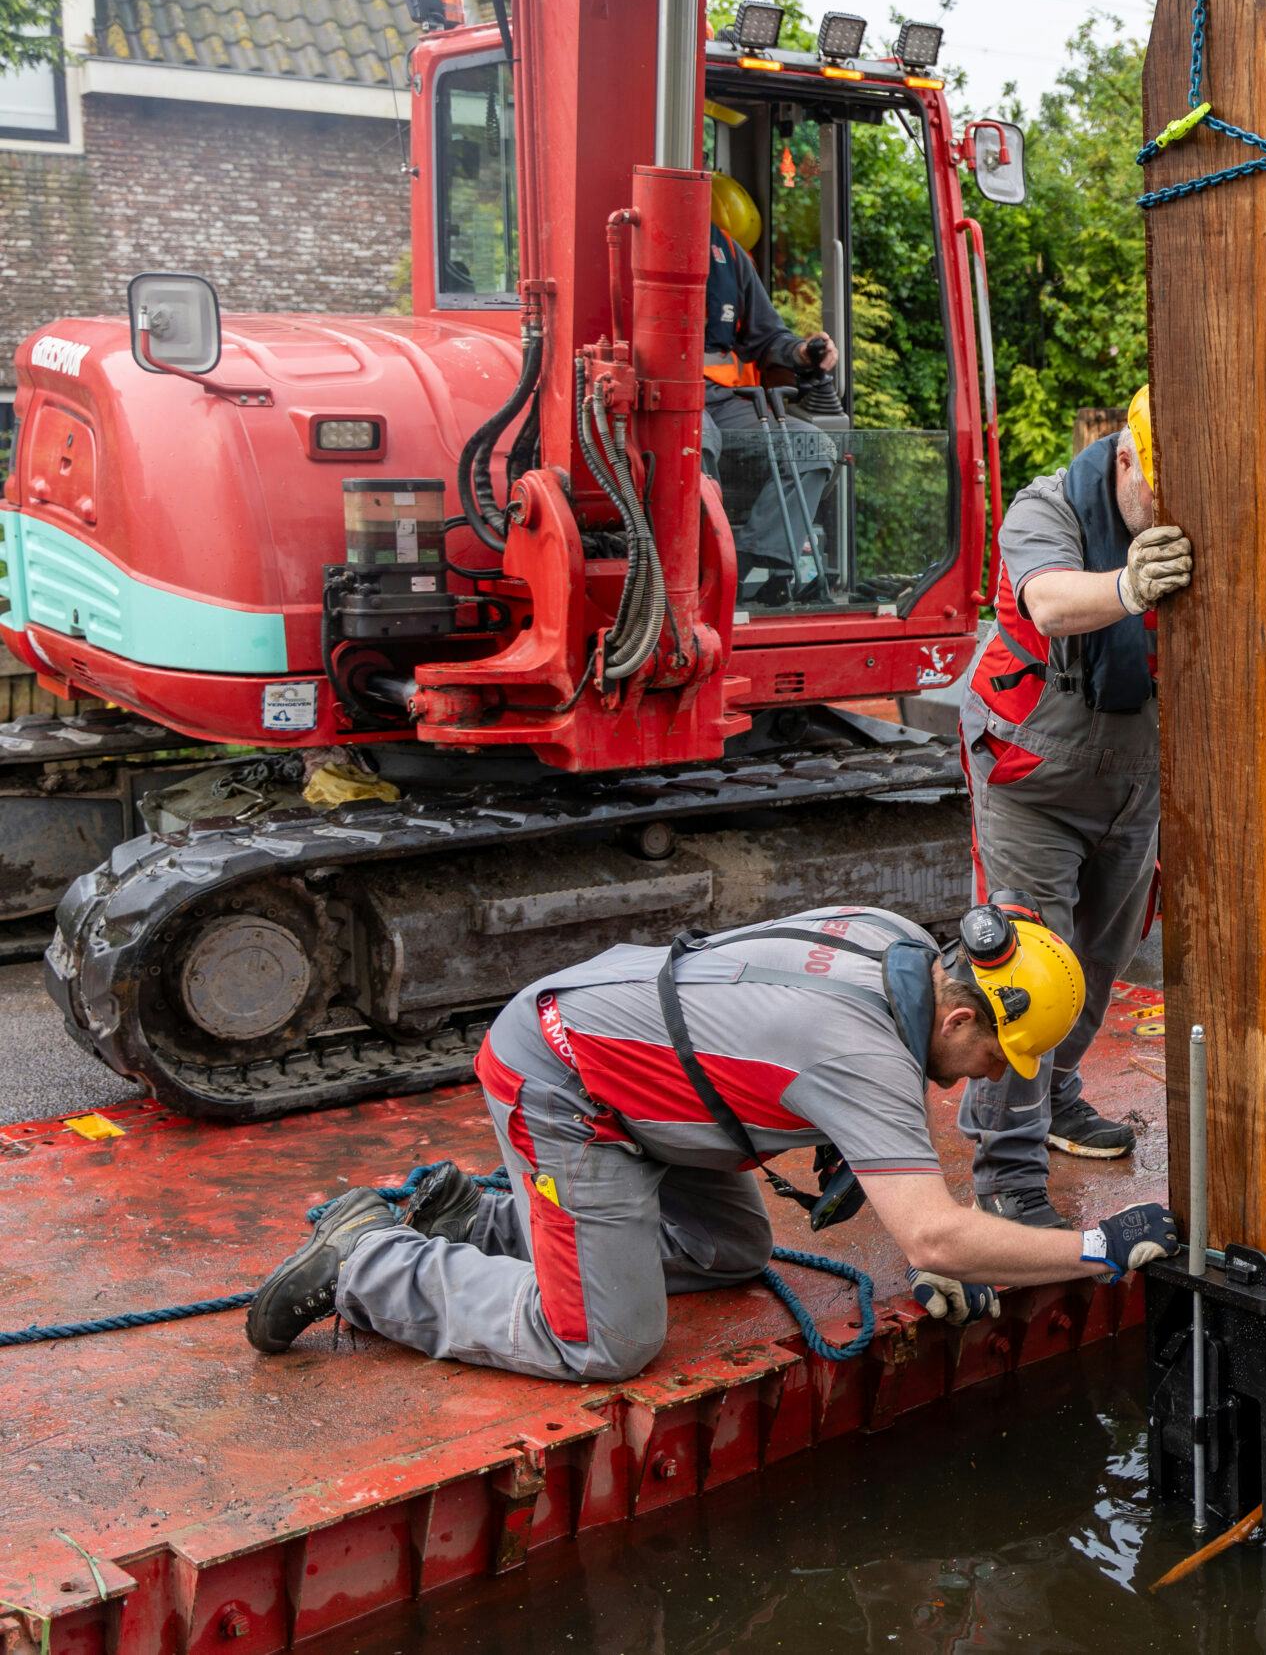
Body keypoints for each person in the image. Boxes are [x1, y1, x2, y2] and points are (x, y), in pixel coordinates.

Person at [243, 900, 1179, 1380]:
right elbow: (932, 1238)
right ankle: (366, 1262)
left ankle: (477, 1217)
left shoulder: (892, 939)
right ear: (963, 1008)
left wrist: (848, 1141)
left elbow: (758, 1009)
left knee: (728, 1248)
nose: (986, 1078)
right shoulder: (860, 1054)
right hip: (568, 1088)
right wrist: (1096, 1247)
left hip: (635, 1072)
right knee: (605, 1339)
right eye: (993, 1055)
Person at [954, 386, 1194, 1226]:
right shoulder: (1045, 507)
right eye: (1160, 495)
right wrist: (1129, 585)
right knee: (1028, 971)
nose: (1170, 515)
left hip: (1131, 781)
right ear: (1126, 459)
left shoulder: (1197, 511)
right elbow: (1052, 602)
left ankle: (1054, 1095)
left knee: (1101, 958)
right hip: (1033, 780)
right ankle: (1007, 1169)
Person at [700, 173, 839, 601]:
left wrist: (801, 351)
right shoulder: (626, 237)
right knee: (691, 443)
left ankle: (753, 562)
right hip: (661, 402)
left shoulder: (729, 255)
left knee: (815, 448)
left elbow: (766, 337)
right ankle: (696, 569)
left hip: (724, 402)